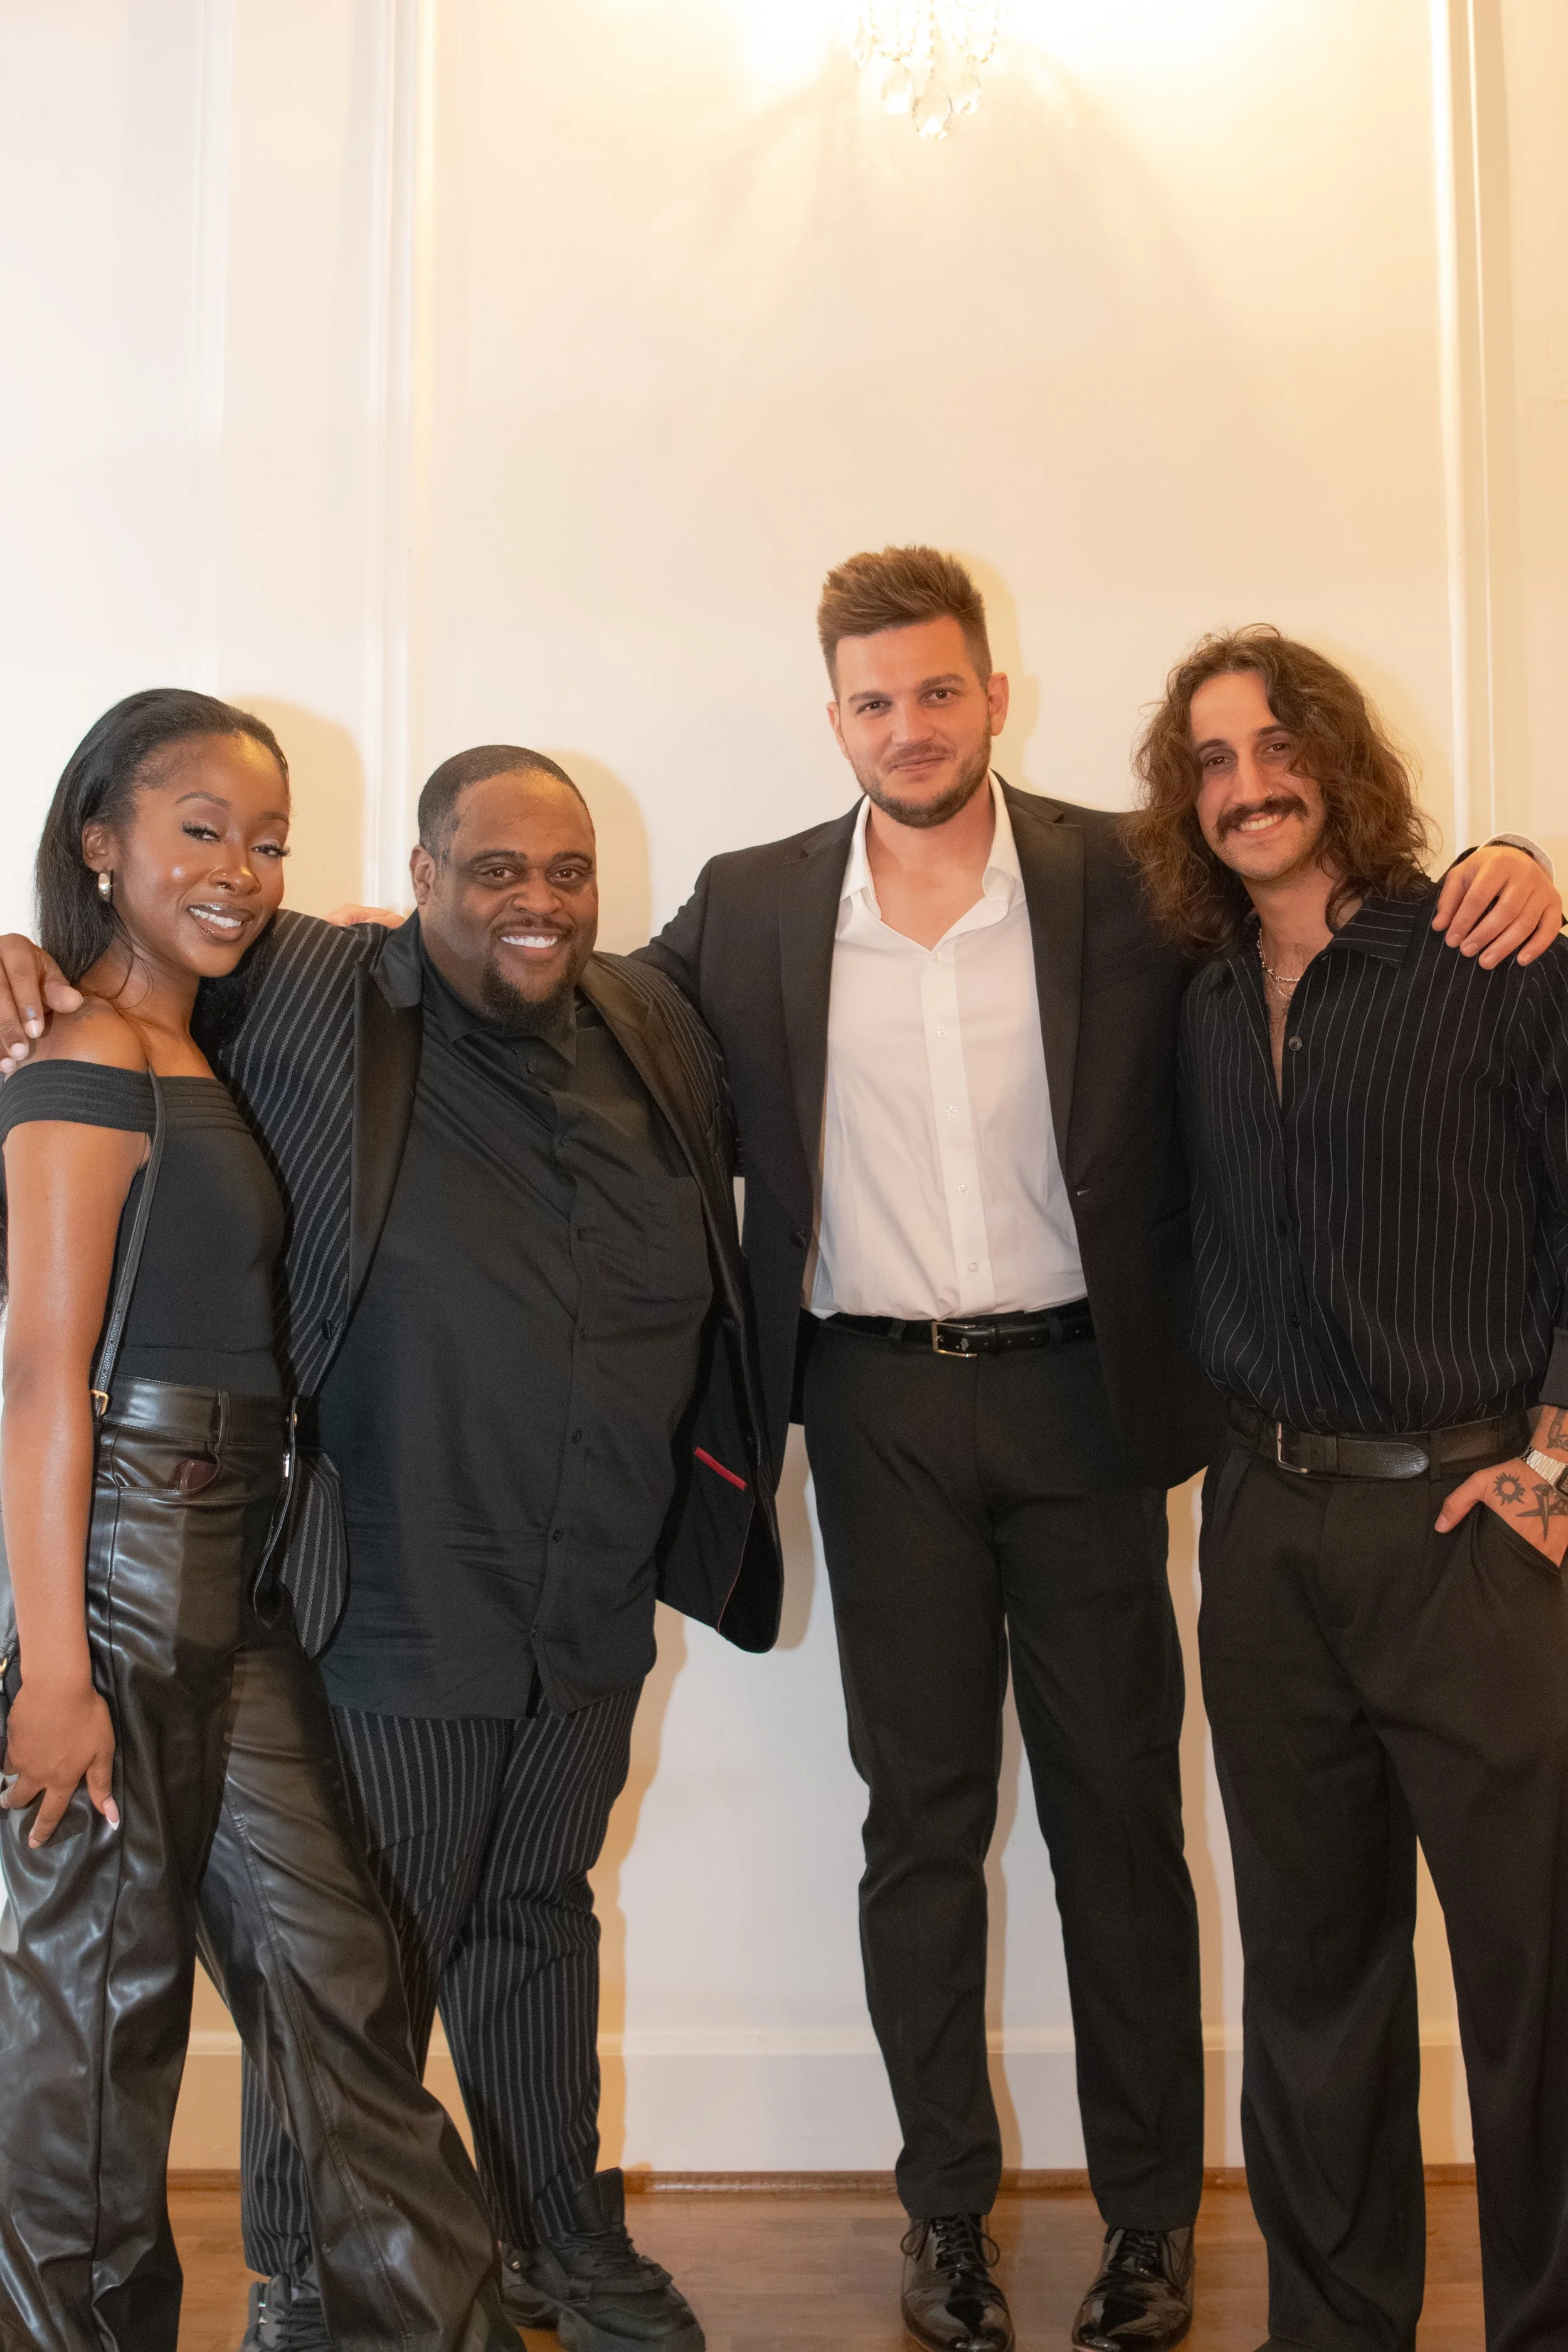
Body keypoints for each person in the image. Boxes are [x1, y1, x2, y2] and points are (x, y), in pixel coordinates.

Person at [632, 550, 1562, 2352]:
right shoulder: (749, 906)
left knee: (1120, 1823)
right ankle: (943, 2219)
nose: (909, 724)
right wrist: (366, 950)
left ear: (995, 694)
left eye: (938, 689)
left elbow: (1338, 894)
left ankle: (1146, 2223)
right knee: (920, 1825)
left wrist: (1509, 850)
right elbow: (585, 1009)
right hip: (878, 1402)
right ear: (835, 718)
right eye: (872, 699)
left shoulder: (1127, 884)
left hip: (1090, 1405)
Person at [0, 745, 780, 2352]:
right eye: (491, 868)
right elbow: (43, 1372)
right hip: (293, 1567)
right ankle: (294, 2284)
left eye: (563, 870)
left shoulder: (635, 1016)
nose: (535, 899)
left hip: (516, 1583)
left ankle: (503, 2266)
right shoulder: (267, 993)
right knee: (221, 1983)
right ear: (420, 879)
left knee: (449, 1939)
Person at [0, 691, 517, 2352]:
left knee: (340, 1978)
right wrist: (55, 1666)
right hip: (120, 1562)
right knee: (93, 2022)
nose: (239, 866)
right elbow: (39, 1385)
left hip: (237, 1578)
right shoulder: (80, 1061)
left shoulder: (185, 1040)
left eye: (268, 835)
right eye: (199, 826)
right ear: (102, 837)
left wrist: (373, 924)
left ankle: (425, 2326)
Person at [1125, 625, 1568, 2352]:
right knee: (1311, 1971)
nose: (1247, 782)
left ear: (1336, 758)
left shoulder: (1490, 953)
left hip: (1471, 1525)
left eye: (1273, 742)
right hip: (1266, 1528)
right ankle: (1331, 2325)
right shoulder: (1198, 998)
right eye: (1212, 758)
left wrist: (1552, 1453)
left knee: (1533, 1977)